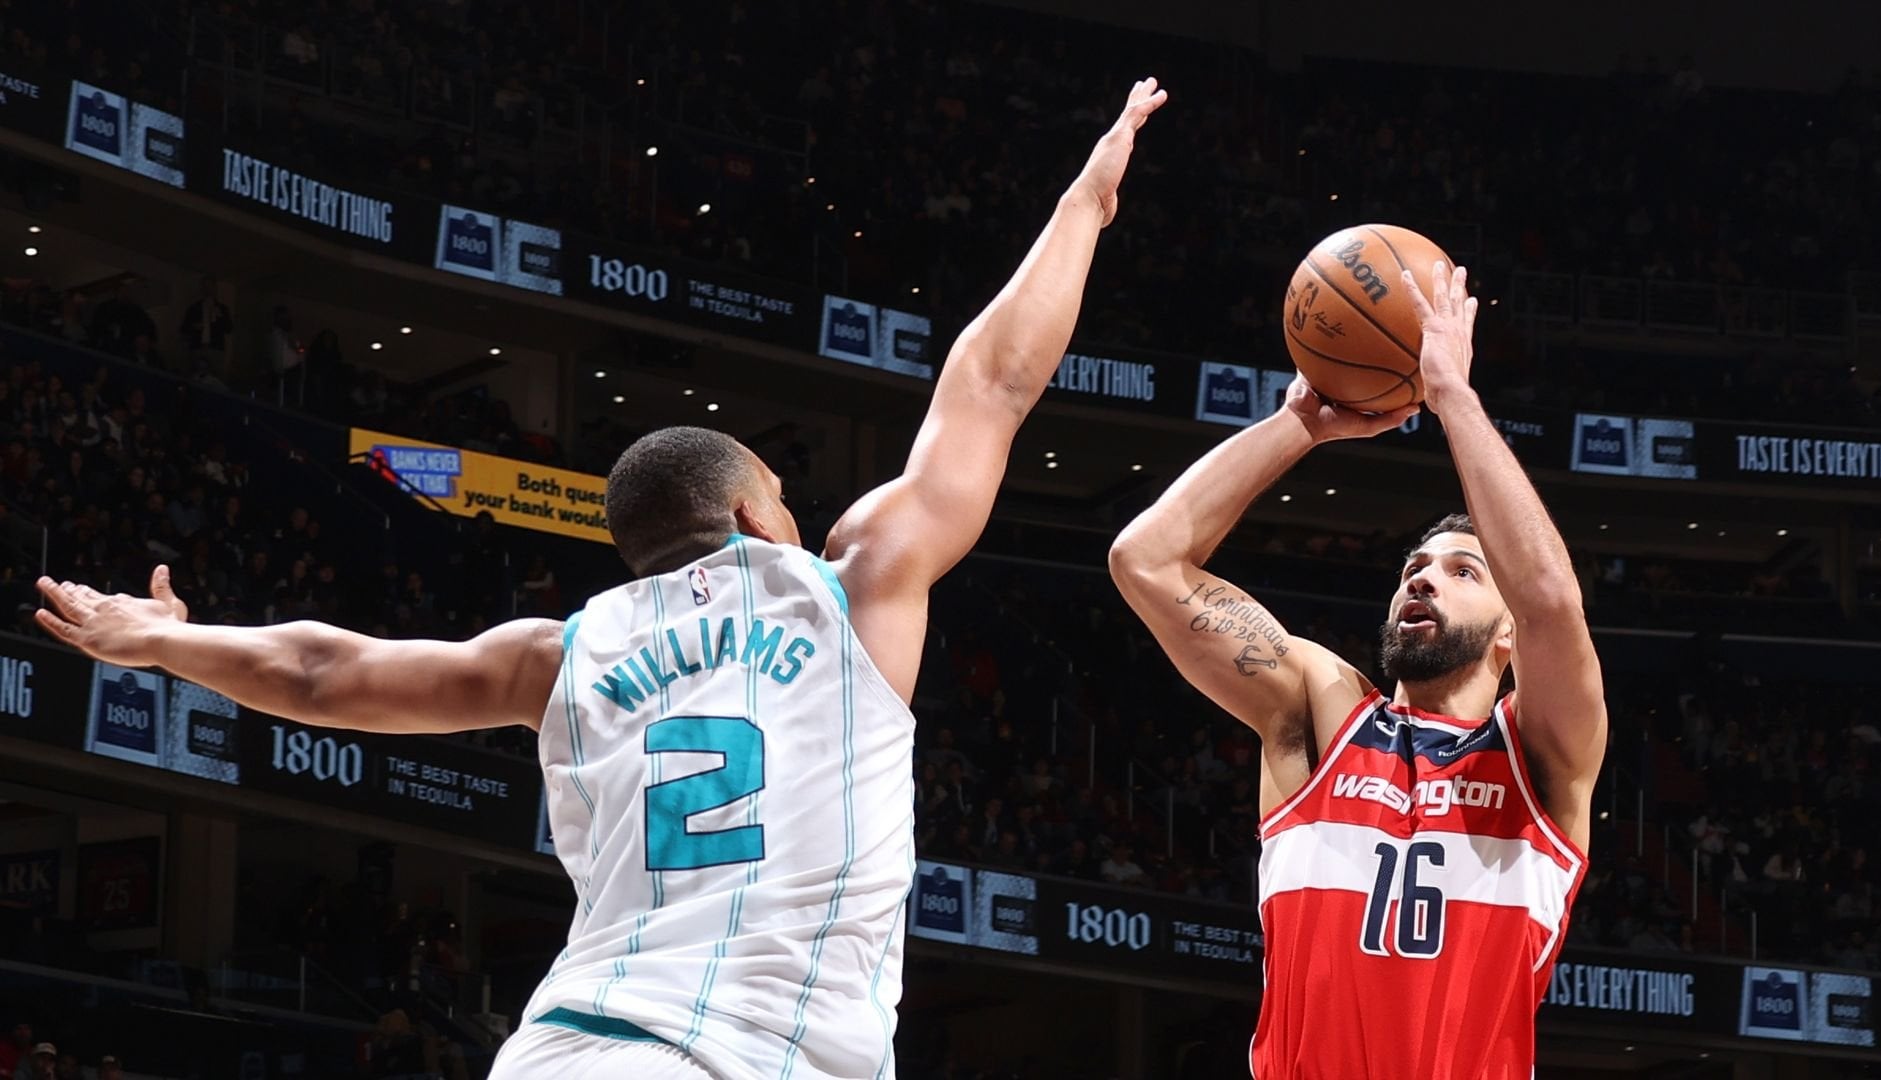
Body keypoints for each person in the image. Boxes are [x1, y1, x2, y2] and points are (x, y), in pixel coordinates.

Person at [36, 78, 1169, 1080]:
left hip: (564, 1044)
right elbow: (992, 383)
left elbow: (324, 672)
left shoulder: (558, 654)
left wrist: (161, 641)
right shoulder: (849, 591)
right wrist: (1083, 205)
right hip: (747, 1051)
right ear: (748, 516)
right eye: (784, 496)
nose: (798, 517)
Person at [1108, 263, 1604, 1079]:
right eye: (1415, 567)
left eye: (1463, 572)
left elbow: (1552, 601)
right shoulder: (1324, 709)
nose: (1423, 579)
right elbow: (1145, 562)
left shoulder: (1541, 755)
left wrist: (1452, 397)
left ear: (1508, 631)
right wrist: (1298, 425)